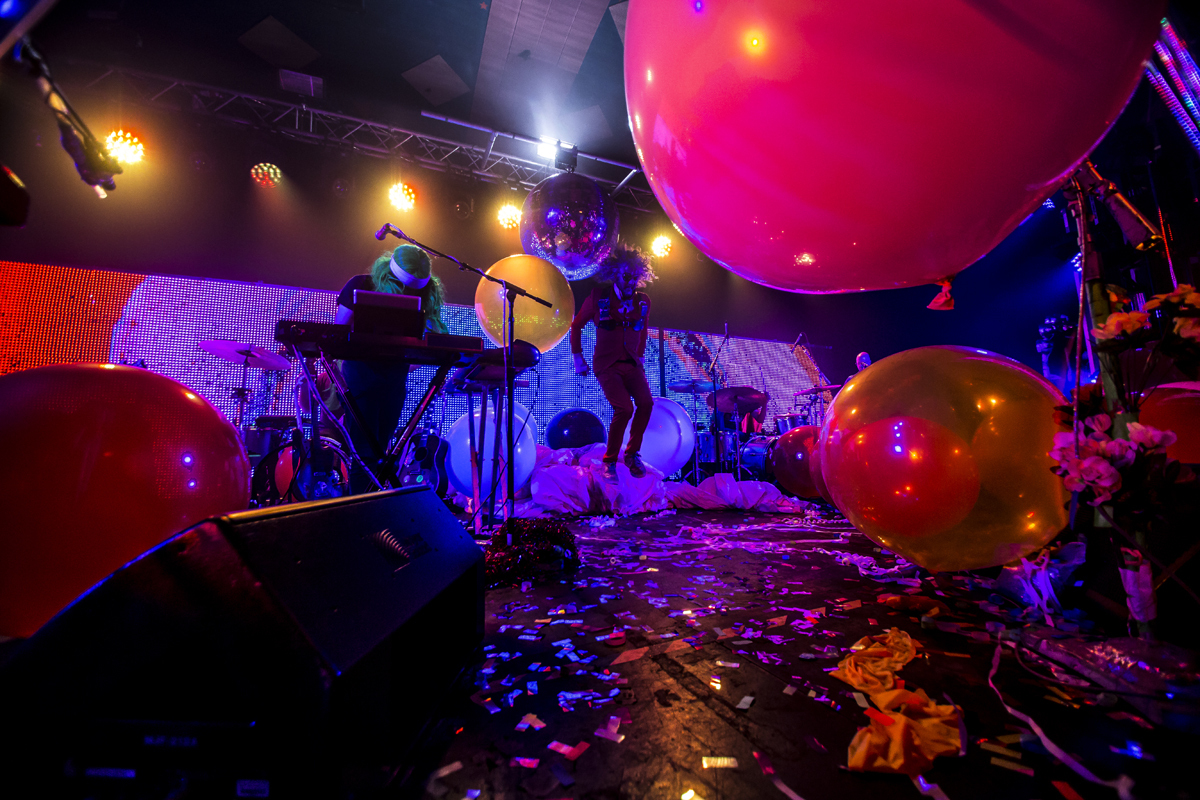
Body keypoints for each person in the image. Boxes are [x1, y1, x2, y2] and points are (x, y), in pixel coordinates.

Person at [335, 244, 448, 492]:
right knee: (364, 452)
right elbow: (338, 333)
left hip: (393, 382)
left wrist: (410, 358)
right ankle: (363, 518)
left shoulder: (422, 294)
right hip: (360, 379)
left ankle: (375, 511)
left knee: (382, 451)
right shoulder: (360, 285)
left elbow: (424, 339)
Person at [570, 244, 655, 481]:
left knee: (646, 403)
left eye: (635, 278)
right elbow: (576, 325)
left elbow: (643, 330)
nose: (631, 283)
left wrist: (640, 355)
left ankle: (632, 454)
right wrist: (578, 358)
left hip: (631, 363)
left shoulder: (643, 301)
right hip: (607, 365)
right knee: (624, 408)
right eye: (626, 276)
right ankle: (610, 461)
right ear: (615, 274)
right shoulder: (599, 297)